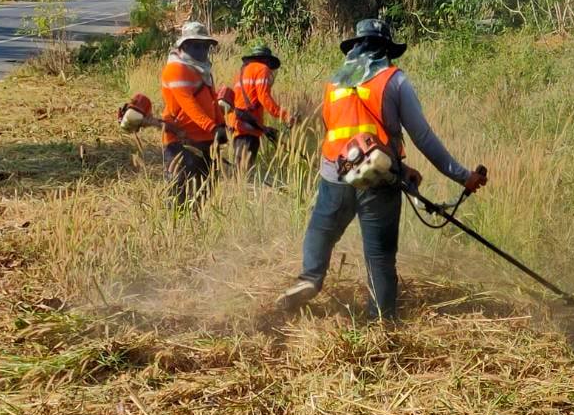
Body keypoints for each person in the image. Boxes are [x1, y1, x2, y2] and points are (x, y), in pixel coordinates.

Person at [276, 18, 486, 319]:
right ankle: (381, 319)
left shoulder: (334, 82)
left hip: (336, 172)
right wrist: (464, 176)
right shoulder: (393, 79)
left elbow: (342, 133)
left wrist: (403, 166)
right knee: (379, 255)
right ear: (385, 49)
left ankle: (310, 277)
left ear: (355, 48)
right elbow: (423, 137)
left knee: (321, 229)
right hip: (380, 177)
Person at [160, 21, 225, 206]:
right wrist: (212, 127)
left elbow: (212, 99)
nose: (202, 51)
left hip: (206, 140)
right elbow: (188, 104)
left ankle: (198, 222)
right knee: (178, 190)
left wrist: (221, 124)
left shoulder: (203, 70)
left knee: (205, 189)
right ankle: (176, 223)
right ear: (184, 46)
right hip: (181, 140)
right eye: (197, 46)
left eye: (205, 46)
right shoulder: (175, 69)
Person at [224, 44, 292, 172]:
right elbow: (264, 97)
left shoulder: (241, 72)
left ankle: (236, 182)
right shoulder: (262, 69)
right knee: (244, 171)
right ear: (266, 60)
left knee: (239, 168)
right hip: (249, 128)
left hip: (237, 125)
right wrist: (285, 116)